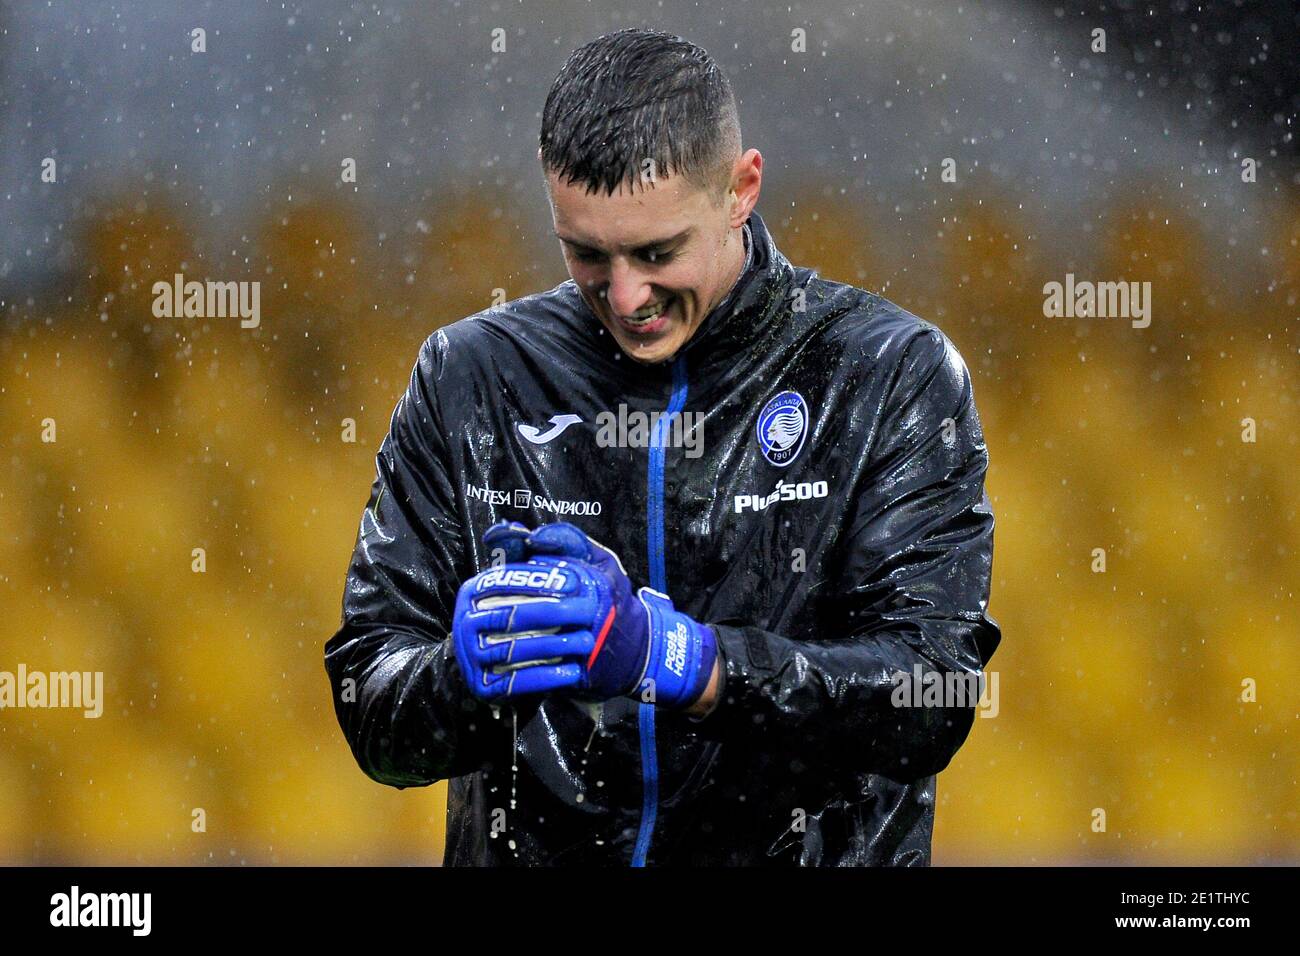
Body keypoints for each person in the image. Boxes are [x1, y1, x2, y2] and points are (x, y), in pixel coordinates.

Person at [325, 27, 1000, 866]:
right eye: (587, 254)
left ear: (742, 190)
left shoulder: (886, 373)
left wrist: (685, 661)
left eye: (657, 252)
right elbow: (373, 709)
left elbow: (930, 695)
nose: (627, 295)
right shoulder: (471, 376)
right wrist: (464, 676)